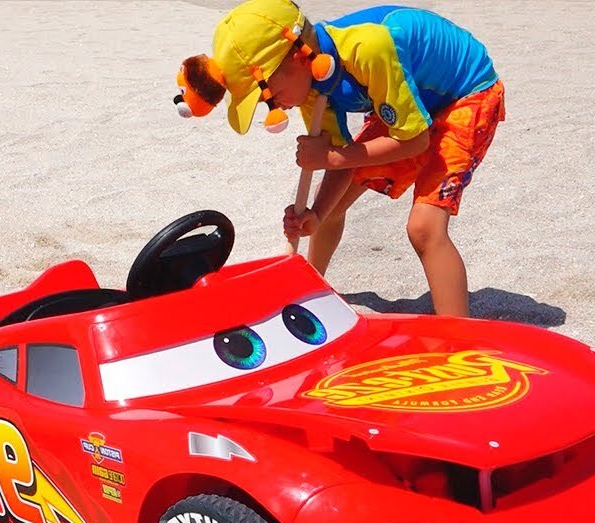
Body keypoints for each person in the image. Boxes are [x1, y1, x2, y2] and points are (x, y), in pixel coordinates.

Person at [175, 0, 505, 317]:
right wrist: (317, 214)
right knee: (330, 209)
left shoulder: (369, 49)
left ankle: (460, 342)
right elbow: (344, 161)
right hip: (406, 99)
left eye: (268, 95)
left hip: (467, 94)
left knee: (424, 227)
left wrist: (333, 156)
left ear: (296, 58)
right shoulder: (309, 87)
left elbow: (414, 141)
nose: (274, 106)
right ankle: (310, 293)